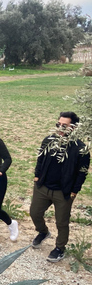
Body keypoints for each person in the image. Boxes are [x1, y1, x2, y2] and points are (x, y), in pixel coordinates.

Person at [30, 111, 90, 262]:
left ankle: (59, 248)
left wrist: (75, 191)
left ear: (74, 127)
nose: (60, 128)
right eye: (58, 124)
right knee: (34, 213)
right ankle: (43, 232)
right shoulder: (49, 140)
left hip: (64, 192)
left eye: (65, 125)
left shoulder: (80, 148)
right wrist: (37, 176)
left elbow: (82, 173)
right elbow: (40, 158)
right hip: (43, 187)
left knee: (62, 222)